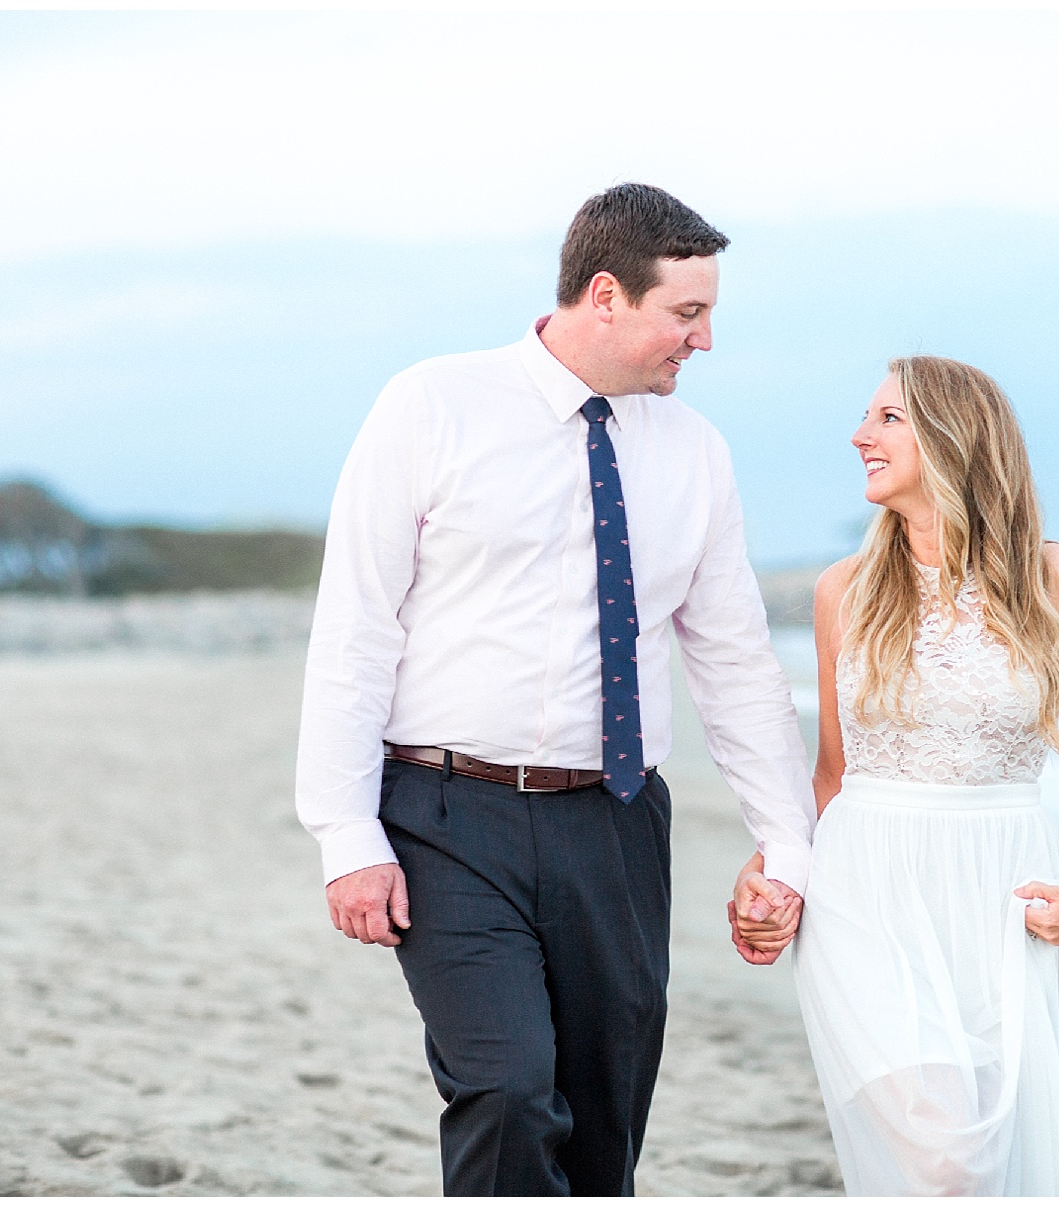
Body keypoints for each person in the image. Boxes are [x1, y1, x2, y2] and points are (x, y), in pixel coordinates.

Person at [296, 183, 813, 1197]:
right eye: (688, 314)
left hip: (615, 827)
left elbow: (735, 660)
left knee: (602, 1123)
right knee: (506, 1087)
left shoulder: (696, 453)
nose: (701, 342)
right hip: (446, 812)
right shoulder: (430, 404)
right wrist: (343, 833)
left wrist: (787, 840)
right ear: (608, 295)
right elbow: (356, 622)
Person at [733, 356, 1059, 1195]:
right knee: (945, 1156)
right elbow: (830, 777)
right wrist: (776, 873)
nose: (861, 435)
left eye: (888, 418)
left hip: (1005, 898)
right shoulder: (843, 591)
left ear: (955, 436)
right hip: (866, 891)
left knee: (991, 1162)